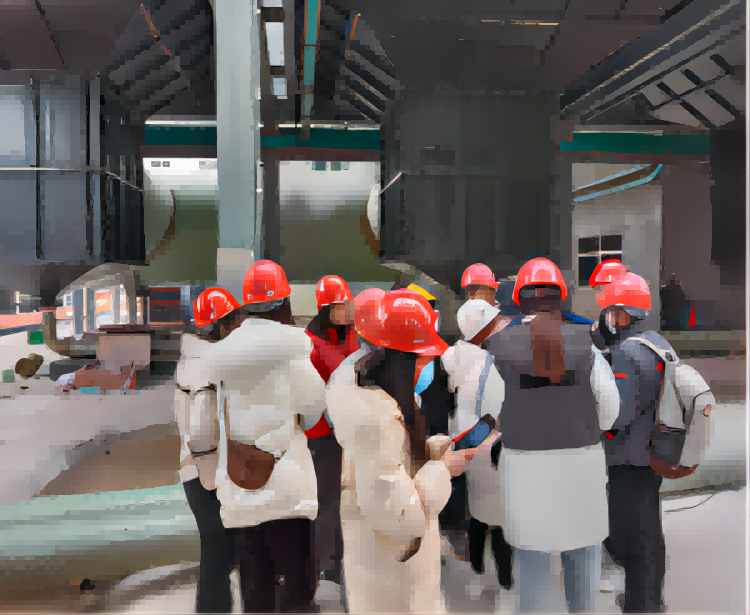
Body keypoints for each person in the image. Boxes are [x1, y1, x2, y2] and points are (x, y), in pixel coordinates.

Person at [481, 257, 620, 613]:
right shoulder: (586, 344)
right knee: (583, 553)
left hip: (526, 471)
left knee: (532, 562)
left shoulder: (498, 346)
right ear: (561, 296)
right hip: (582, 467)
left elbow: (490, 408)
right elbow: (609, 410)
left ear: (519, 297)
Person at [325, 288, 476, 613]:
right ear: (398, 361)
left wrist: (430, 453)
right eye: (420, 359)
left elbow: (393, 475)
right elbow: (401, 521)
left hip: (389, 579)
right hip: (395, 588)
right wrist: (443, 469)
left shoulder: (371, 399)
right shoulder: (376, 423)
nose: (425, 367)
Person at [205, 260, 326, 613]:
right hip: (285, 481)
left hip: (241, 479)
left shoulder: (222, 355)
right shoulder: (292, 351)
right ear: (284, 301)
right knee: (296, 582)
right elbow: (315, 404)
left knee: (254, 577)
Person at [590, 271, 672, 613]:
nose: (608, 318)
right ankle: (651, 598)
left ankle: (642, 604)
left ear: (621, 314)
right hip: (653, 453)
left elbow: (616, 415)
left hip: (628, 458)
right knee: (649, 531)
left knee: (630, 537)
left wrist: (596, 432)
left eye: (610, 311)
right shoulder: (658, 343)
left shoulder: (626, 353)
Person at [173, 287, 241, 613]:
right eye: (234, 321)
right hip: (204, 476)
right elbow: (200, 432)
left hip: (195, 470)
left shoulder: (194, 359)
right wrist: (214, 478)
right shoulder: (206, 368)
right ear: (221, 326)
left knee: (218, 554)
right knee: (218, 555)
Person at [442, 299, 512, 589]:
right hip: (490, 440)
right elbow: (499, 408)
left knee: (475, 504)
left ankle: (476, 565)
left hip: (458, 440)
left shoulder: (448, 356)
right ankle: (505, 578)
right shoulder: (490, 363)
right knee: (499, 513)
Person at [304, 275, 359, 586]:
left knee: (343, 497)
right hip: (323, 433)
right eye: (344, 305)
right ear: (328, 309)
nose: (350, 309)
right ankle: (326, 564)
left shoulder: (349, 334)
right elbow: (311, 394)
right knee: (327, 499)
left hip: (347, 428)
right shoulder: (310, 343)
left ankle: (340, 558)